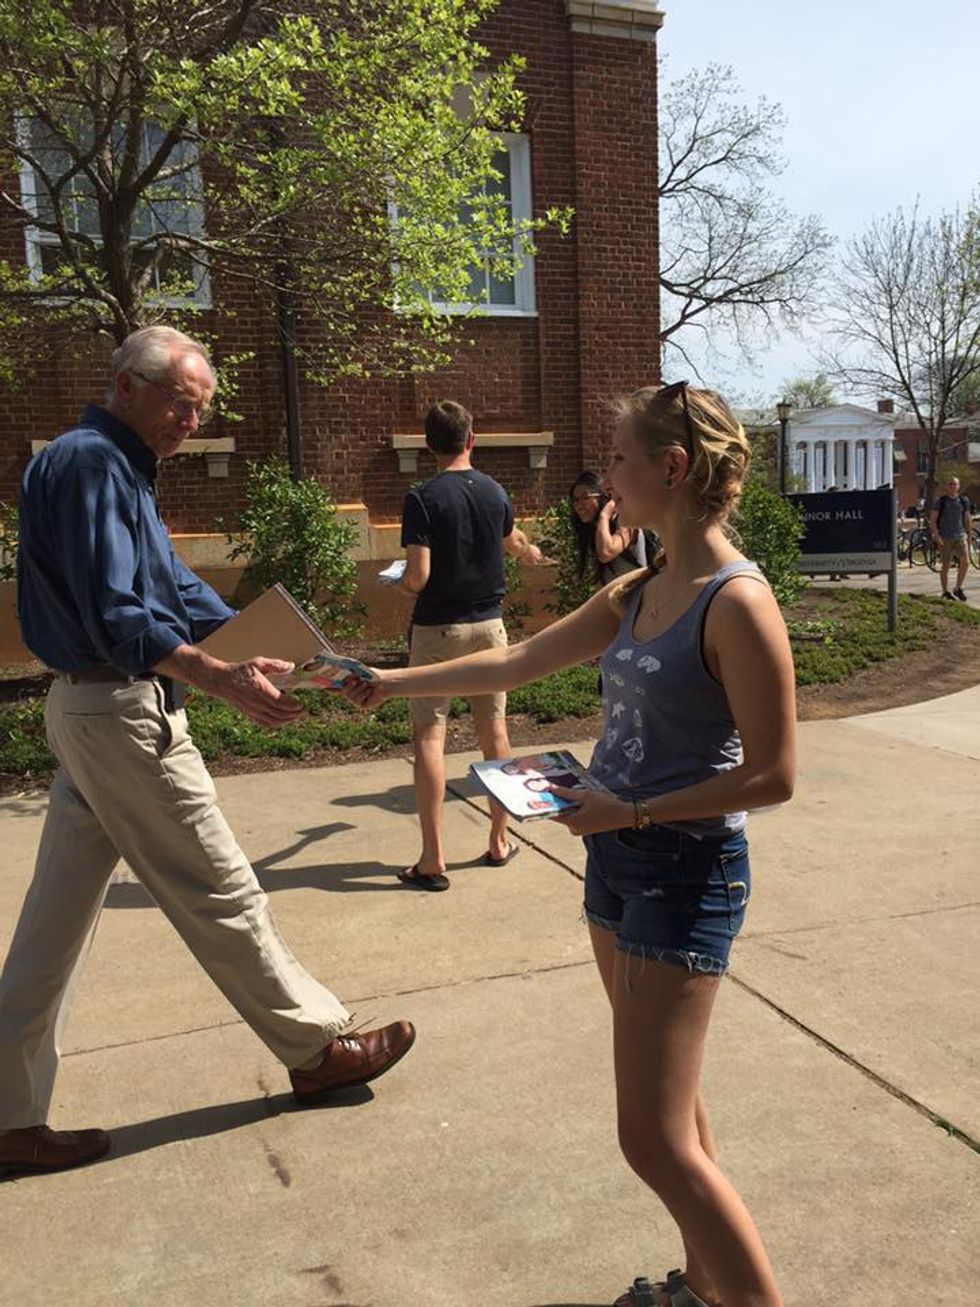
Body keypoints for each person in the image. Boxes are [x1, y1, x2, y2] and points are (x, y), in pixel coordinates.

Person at [344, 381, 795, 1307]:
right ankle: (704, 1286)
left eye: (620, 459)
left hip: (685, 872)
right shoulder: (639, 589)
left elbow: (774, 775)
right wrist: (388, 683)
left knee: (651, 1139)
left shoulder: (737, 602)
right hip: (616, 861)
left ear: (673, 467)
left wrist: (632, 811)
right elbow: (518, 658)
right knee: (677, 1116)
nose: (606, 479)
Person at [0, 326, 415, 1178]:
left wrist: (268, 649)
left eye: (200, 410)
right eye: (180, 403)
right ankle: (315, 1049)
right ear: (125, 386)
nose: (191, 422)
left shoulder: (110, 466)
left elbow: (172, 591)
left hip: (90, 709)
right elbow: (120, 613)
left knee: (52, 927)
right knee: (220, 886)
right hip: (121, 712)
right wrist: (218, 675)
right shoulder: (94, 464)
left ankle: (7, 1119)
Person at [397, 399, 543, 890]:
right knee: (494, 733)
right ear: (471, 439)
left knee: (429, 736)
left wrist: (402, 584)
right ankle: (499, 841)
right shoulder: (495, 491)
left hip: (437, 629)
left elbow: (419, 577)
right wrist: (529, 550)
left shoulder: (422, 497)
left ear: (429, 445)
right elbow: (513, 542)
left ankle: (432, 859)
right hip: (489, 628)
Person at [570, 470, 650, 585]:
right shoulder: (597, 531)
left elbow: (606, 552)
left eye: (585, 497)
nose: (579, 505)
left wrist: (604, 515)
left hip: (638, 595)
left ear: (603, 497)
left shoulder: (625, 523)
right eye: (575, 500)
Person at [930, 476, 972, 600]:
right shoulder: (941, 501)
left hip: (960, 535)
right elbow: (933, 519)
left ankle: (958, 588)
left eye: (955, 484)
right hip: (945, 537)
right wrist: (936, 535)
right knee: (946, 565)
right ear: (947, 486)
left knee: (966, 562)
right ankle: (945, 591)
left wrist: (969, 534)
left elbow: (967, 517)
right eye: (950, 484)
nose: (953, 486)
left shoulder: (963, 500)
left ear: (958, 486)